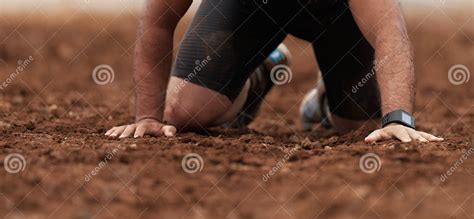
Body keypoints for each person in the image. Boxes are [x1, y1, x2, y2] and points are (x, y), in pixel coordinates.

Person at [106, 0, 443, 143]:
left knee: (361, 128)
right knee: (181, 113)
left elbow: (389, 31)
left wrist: (398, 118)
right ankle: (258, 75)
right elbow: (158, 20)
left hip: (337, 16)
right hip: (248, 8)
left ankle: (325, 99)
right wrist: (147, 117)